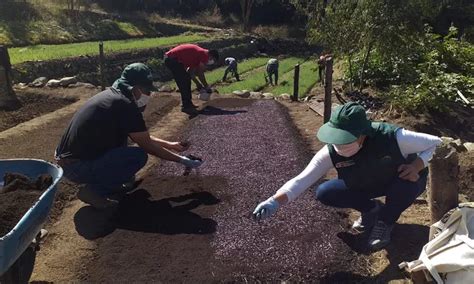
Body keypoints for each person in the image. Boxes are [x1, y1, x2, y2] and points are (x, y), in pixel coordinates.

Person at [252, 102, 442, 251]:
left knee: (405, 186)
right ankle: (371, 209)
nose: (339, 146)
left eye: (345, 140)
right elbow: (302, 180)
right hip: (367, 182)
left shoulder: (394, 138)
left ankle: (385, 221)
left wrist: (417, 165)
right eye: (336, 139)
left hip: (400, 179)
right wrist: (273, 201)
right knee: (326, 192)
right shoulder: (330, 153)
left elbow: (438, 144)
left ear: (363, 135)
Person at [55, 63, 203, 210]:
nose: (148, 95)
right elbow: (147, 146)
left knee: (124, 146)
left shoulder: (113, 96)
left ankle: (112, 183)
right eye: (147, 91)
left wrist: (171, 145)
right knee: (138, 156)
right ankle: (93, 191)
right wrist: (183, 161)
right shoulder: (125, 105)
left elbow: (141, 137)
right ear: (136, 88)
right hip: (76, 167)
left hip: (69, 160)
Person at [164, 44, 219, 115]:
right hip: (172, 59)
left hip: (173, 59)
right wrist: (206, 86)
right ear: (211, 56)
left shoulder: (197, 57)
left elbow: (190, 72)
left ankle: (188, 104)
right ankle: (186, 106)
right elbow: (200, 73)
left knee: (186, 80)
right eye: (212, 60)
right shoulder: (204, 54)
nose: (210, 61)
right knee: (184, 81)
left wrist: (198, 84)